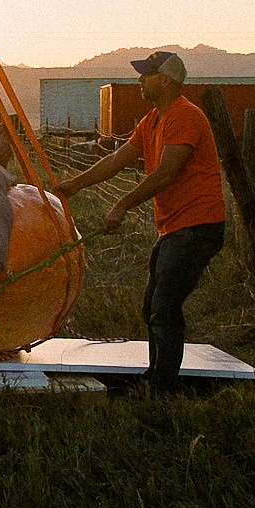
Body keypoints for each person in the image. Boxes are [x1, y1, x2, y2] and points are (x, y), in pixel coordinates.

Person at [54, 51, 225, 395]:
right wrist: (75, 185)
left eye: (147, 75)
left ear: (167, 80)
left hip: (198, 224)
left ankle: (163, 389)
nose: (140, 80)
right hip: (175, 227)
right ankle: (156, 378)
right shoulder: (152, 120)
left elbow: (166, 172)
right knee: (153, 306)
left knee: (164, 306)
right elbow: (118, 159)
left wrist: (122, 205)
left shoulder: (185, 116)